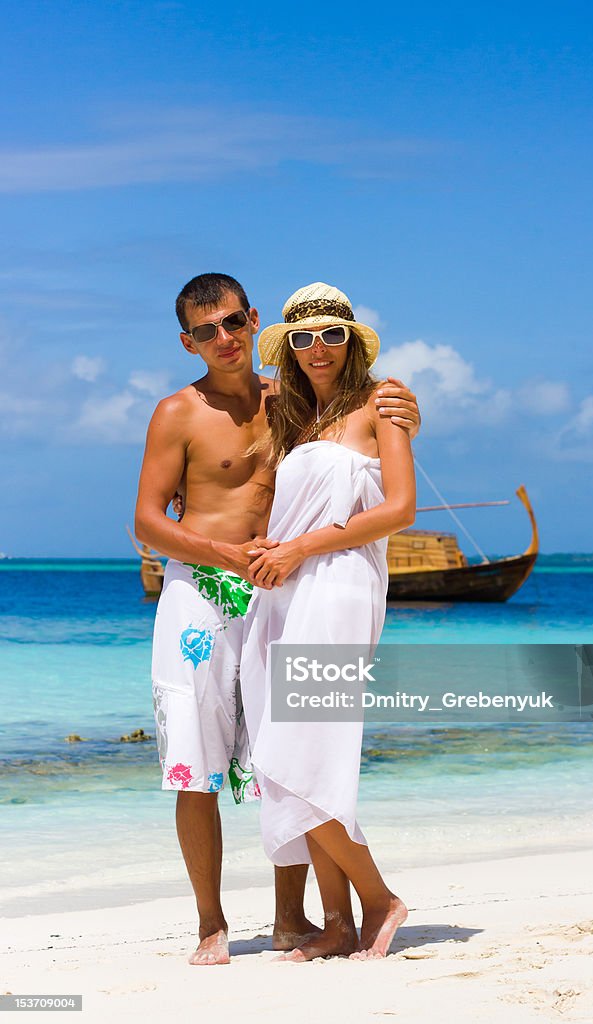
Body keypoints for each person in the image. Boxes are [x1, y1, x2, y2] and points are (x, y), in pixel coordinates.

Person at [134, 273, 420, 965]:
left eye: (233, 323)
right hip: (208, 592)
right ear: (188, 341)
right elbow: (145, 520)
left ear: (250, 319)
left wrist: (403, 411)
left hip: (286, 588)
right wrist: (218, 553)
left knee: (281, 753)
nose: (224, 339)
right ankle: (218, 923)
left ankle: (299, 918)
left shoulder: (288, 401)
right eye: (206, 331)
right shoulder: (181, 411)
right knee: (197, 763)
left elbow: (369, 454)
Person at [240, 282, 416, 961]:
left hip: (339, 587)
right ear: (288, 346)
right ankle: (337, 921)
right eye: (303, 337)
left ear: (352, 343)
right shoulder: (295, 420)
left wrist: (300, 547)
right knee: (295, 758)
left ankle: (380, 901)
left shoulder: (383, 403)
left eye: (331, 335)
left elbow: (398, 508)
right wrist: (267, 548)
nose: (318, 348)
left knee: (298, 753)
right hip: (286, 588)